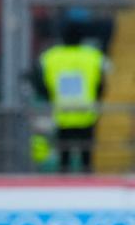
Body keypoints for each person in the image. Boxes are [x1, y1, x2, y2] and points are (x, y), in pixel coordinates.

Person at [38, 22, 107, 173]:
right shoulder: (92, 56)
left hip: (63, 114)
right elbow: (101, 84)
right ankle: (89, 186)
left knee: (64, 157)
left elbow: (42, 84)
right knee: (86, 157)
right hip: (86, 114)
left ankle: (63, 186)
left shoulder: (51, 56)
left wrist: (51, 98)